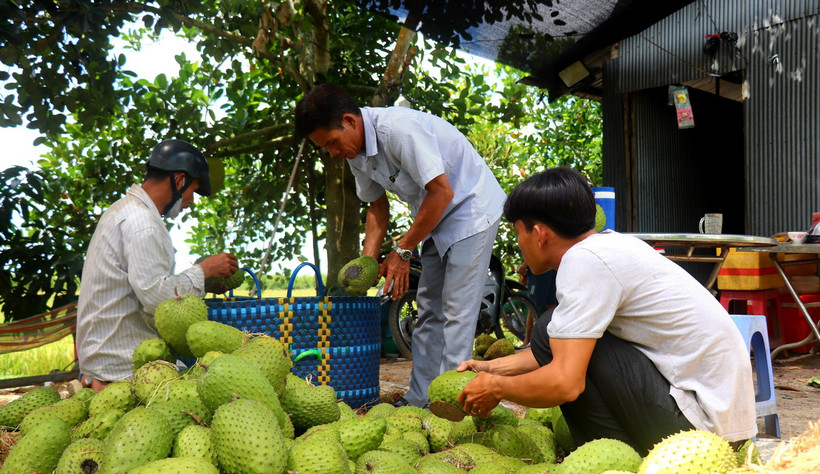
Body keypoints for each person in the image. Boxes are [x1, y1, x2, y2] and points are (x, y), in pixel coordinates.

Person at [457, 167, 757, 454]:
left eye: (518, 233)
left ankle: (619, 459)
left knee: (550, 328)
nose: (521, 243)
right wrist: (490, 368)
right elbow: (564, 348)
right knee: (557, 332)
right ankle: (624, 452)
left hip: (700, 436)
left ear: (539, 233)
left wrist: (497, 388)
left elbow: (565, 382)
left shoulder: (583, 262)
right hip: (721, 428)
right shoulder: (611, 247)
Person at [294, 83, 506, 408]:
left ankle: (455, 408)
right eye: (326, 149)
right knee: (428, 312)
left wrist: (403, 250)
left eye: (332, 143)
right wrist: (367, 264)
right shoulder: (356, 153)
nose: (333, 153)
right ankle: (419, 399)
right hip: (433, 217)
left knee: (456, 313)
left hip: (470, 207)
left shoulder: (397, 130)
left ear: (349, 121)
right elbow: (377, 207)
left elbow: (443, 192)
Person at [76, 139, 238, 391]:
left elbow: (149, 287)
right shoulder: (143, 223)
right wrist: (203, 270)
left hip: (106, 356)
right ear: (180, 180)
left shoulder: (125, 210)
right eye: (192, 191)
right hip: (121, 363)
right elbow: (156, 297)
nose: (191, 201)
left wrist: (203, 281)